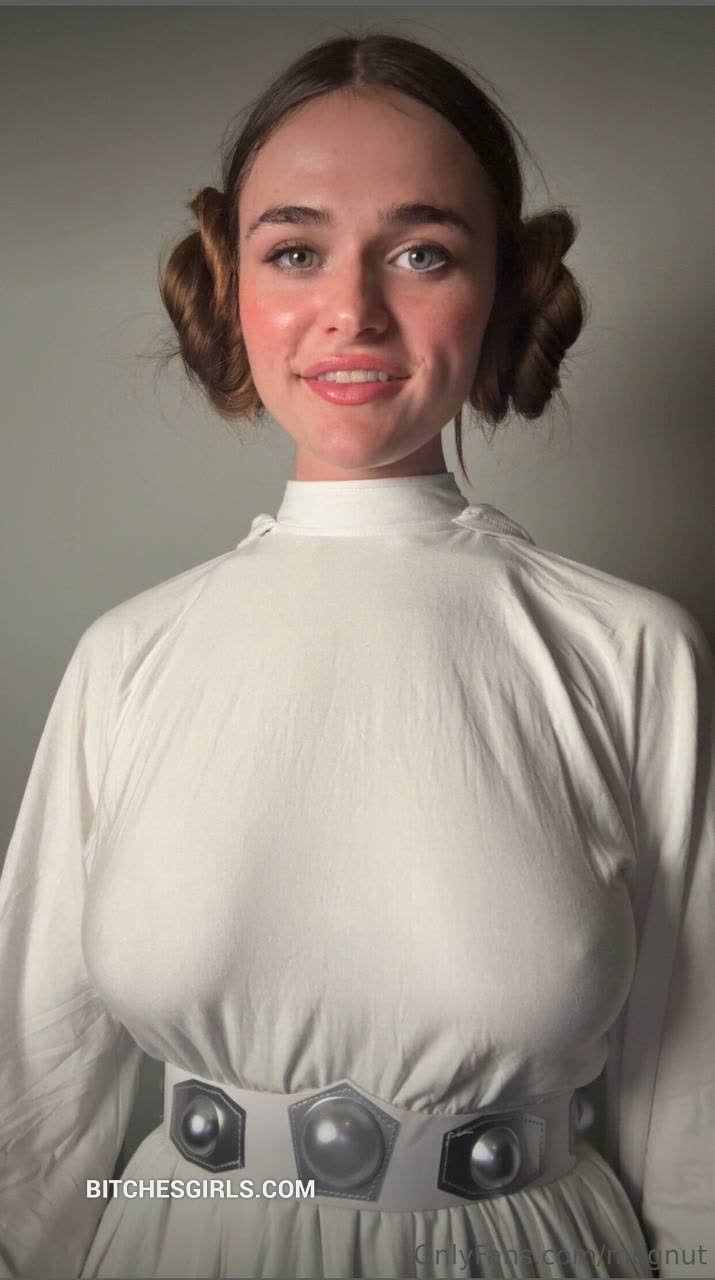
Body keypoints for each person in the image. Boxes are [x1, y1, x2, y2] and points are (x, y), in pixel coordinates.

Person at [1, 29, 713, 1280]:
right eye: (295, 250)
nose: (353, 309)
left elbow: (696, 1127)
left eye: (421, 252)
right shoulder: (128, 657)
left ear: (502, 290)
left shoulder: (631, 653)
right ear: (230, 285)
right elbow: (36, 1106)